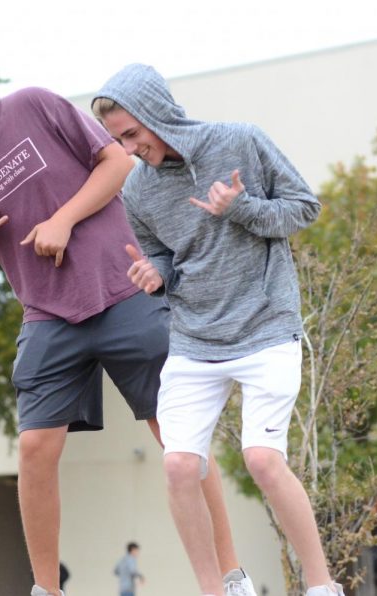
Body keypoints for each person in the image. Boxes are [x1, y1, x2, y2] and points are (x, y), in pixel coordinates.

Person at [0, 61, 254, 596]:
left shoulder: (35, 105)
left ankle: (229, 577)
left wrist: (64, 219)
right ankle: (47, 589)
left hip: (125, 290)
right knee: (33, 449)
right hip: (48, 315)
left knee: (179, 442)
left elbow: (116, 163)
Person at [92, 64, 345, 596]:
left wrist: (242, 207)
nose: (129, 148)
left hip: (266, 325)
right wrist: (156, 274)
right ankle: (219, 590)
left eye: (133, 134)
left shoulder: (241, 141)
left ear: (158, 114)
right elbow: (162, 256)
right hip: (195, 337)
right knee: (180, 466)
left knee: (262, 460)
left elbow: (304, 208)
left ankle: (322, 586)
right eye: (119, 140)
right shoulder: (136, 191)